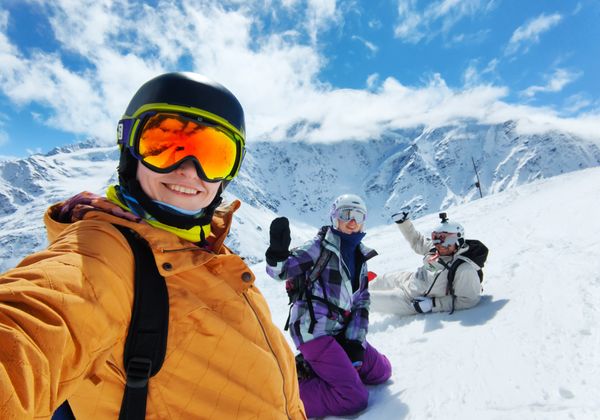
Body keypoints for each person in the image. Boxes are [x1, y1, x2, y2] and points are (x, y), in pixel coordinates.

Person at [0, 72, 306, 419]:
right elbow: (33, 325)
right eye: (165, 145)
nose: (190, 171)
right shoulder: (103, 255)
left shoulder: (204, 246)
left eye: (213, 155)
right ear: (130, 148)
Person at [265, 194, 392, 419]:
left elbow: (361, 301)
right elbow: (281, 271)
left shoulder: (360, 255)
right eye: (346, 214)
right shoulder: (319, 247)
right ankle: (277, 396)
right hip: (314, 330)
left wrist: (354, 342)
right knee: (352, 398)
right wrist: (277, 255)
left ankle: (315, 368)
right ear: (335, 217)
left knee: (381, 371)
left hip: (341, 331)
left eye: (358, 216)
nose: (352, 222)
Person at [369, 211, 483, 315]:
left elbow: (468, 300)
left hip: (411, 299)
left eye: (447, 240)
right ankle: (361, 286)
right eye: (436, 238)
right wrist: (403, 223)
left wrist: (432, 304)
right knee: (381, 280)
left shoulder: (464, 269)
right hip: (409, 279)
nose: (440, 245)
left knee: (367, 299)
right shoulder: (435, 249)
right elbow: (417, 240)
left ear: (459, 240)